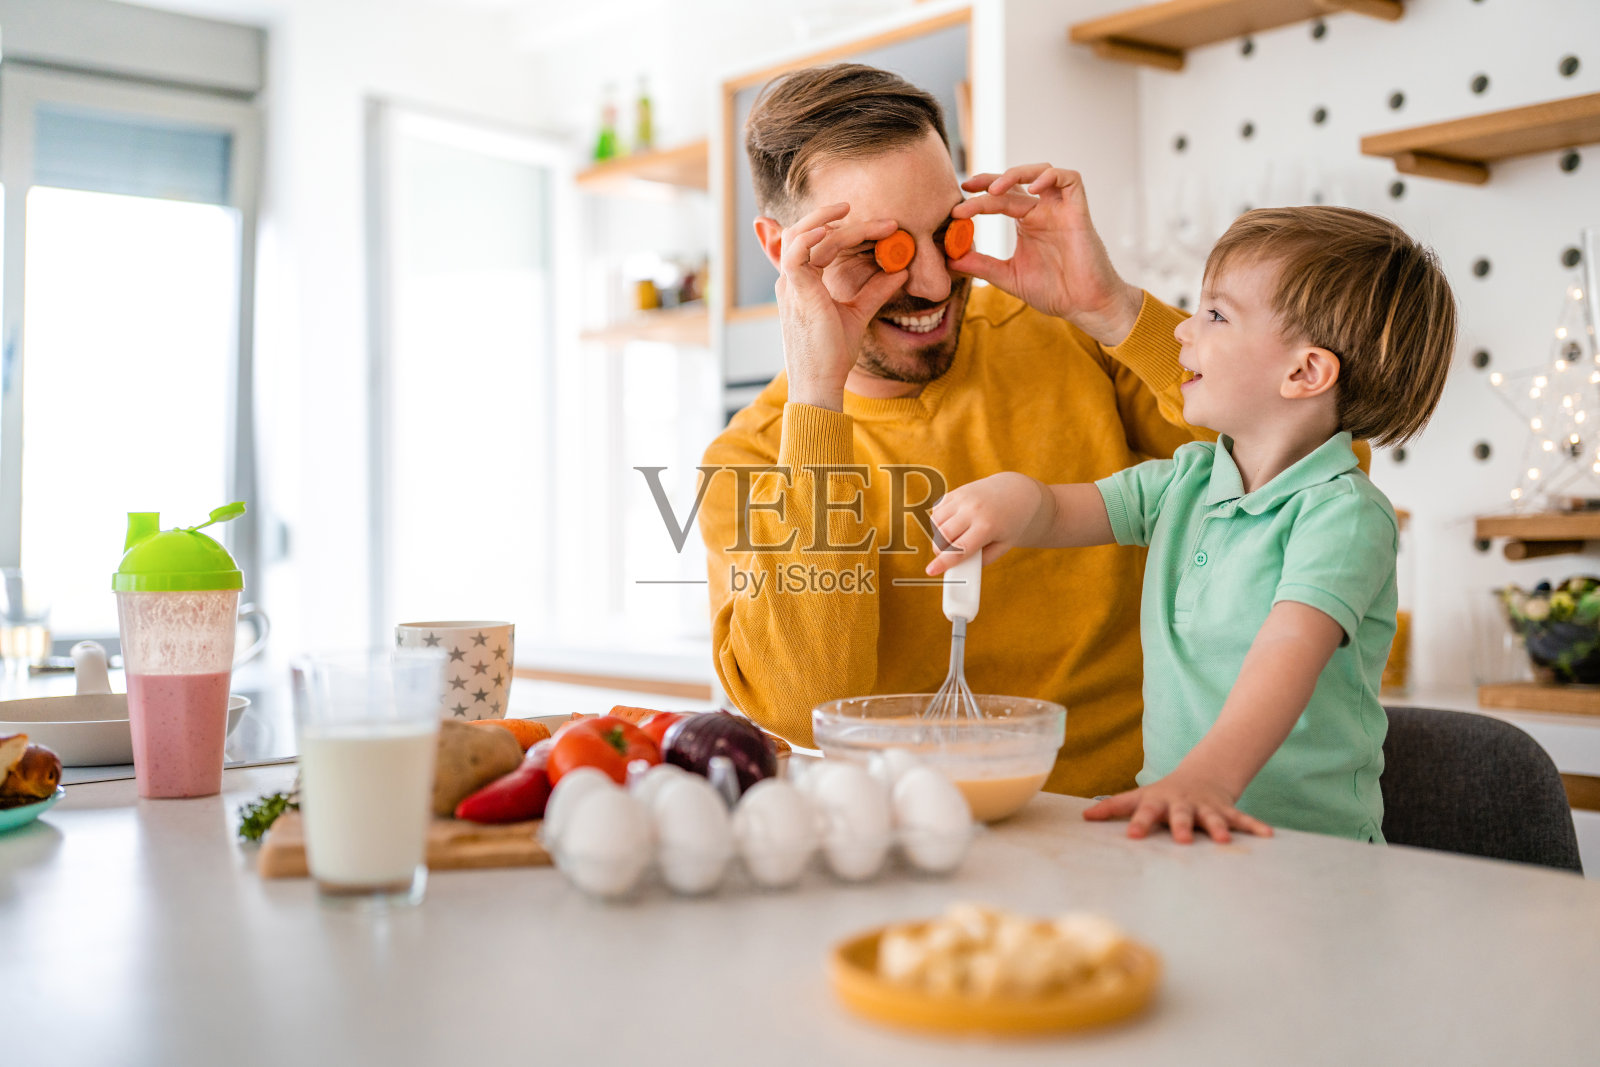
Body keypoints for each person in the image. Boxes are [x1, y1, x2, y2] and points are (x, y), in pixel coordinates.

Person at [697, 62, 1215, 800]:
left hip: (1140, 813)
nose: (937, 283)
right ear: (782, 251)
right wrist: (817, 397)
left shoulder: (1066, 339)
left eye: (947, 230)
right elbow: (801, 708)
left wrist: (1113, 310)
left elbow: (1319, 479)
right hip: (913, 841)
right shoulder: (750, 456)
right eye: (880, 252)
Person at [926, 206, 1456, 843]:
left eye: (1215, 315)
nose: (1180, 333)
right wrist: (1016, 497)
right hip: (1186, 826)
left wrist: (1210, 777)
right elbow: (1064, 510)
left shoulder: (1343, 515)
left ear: (1304, 372)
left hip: (1310, 850)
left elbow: (1287, 653)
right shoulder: (1188, 481)